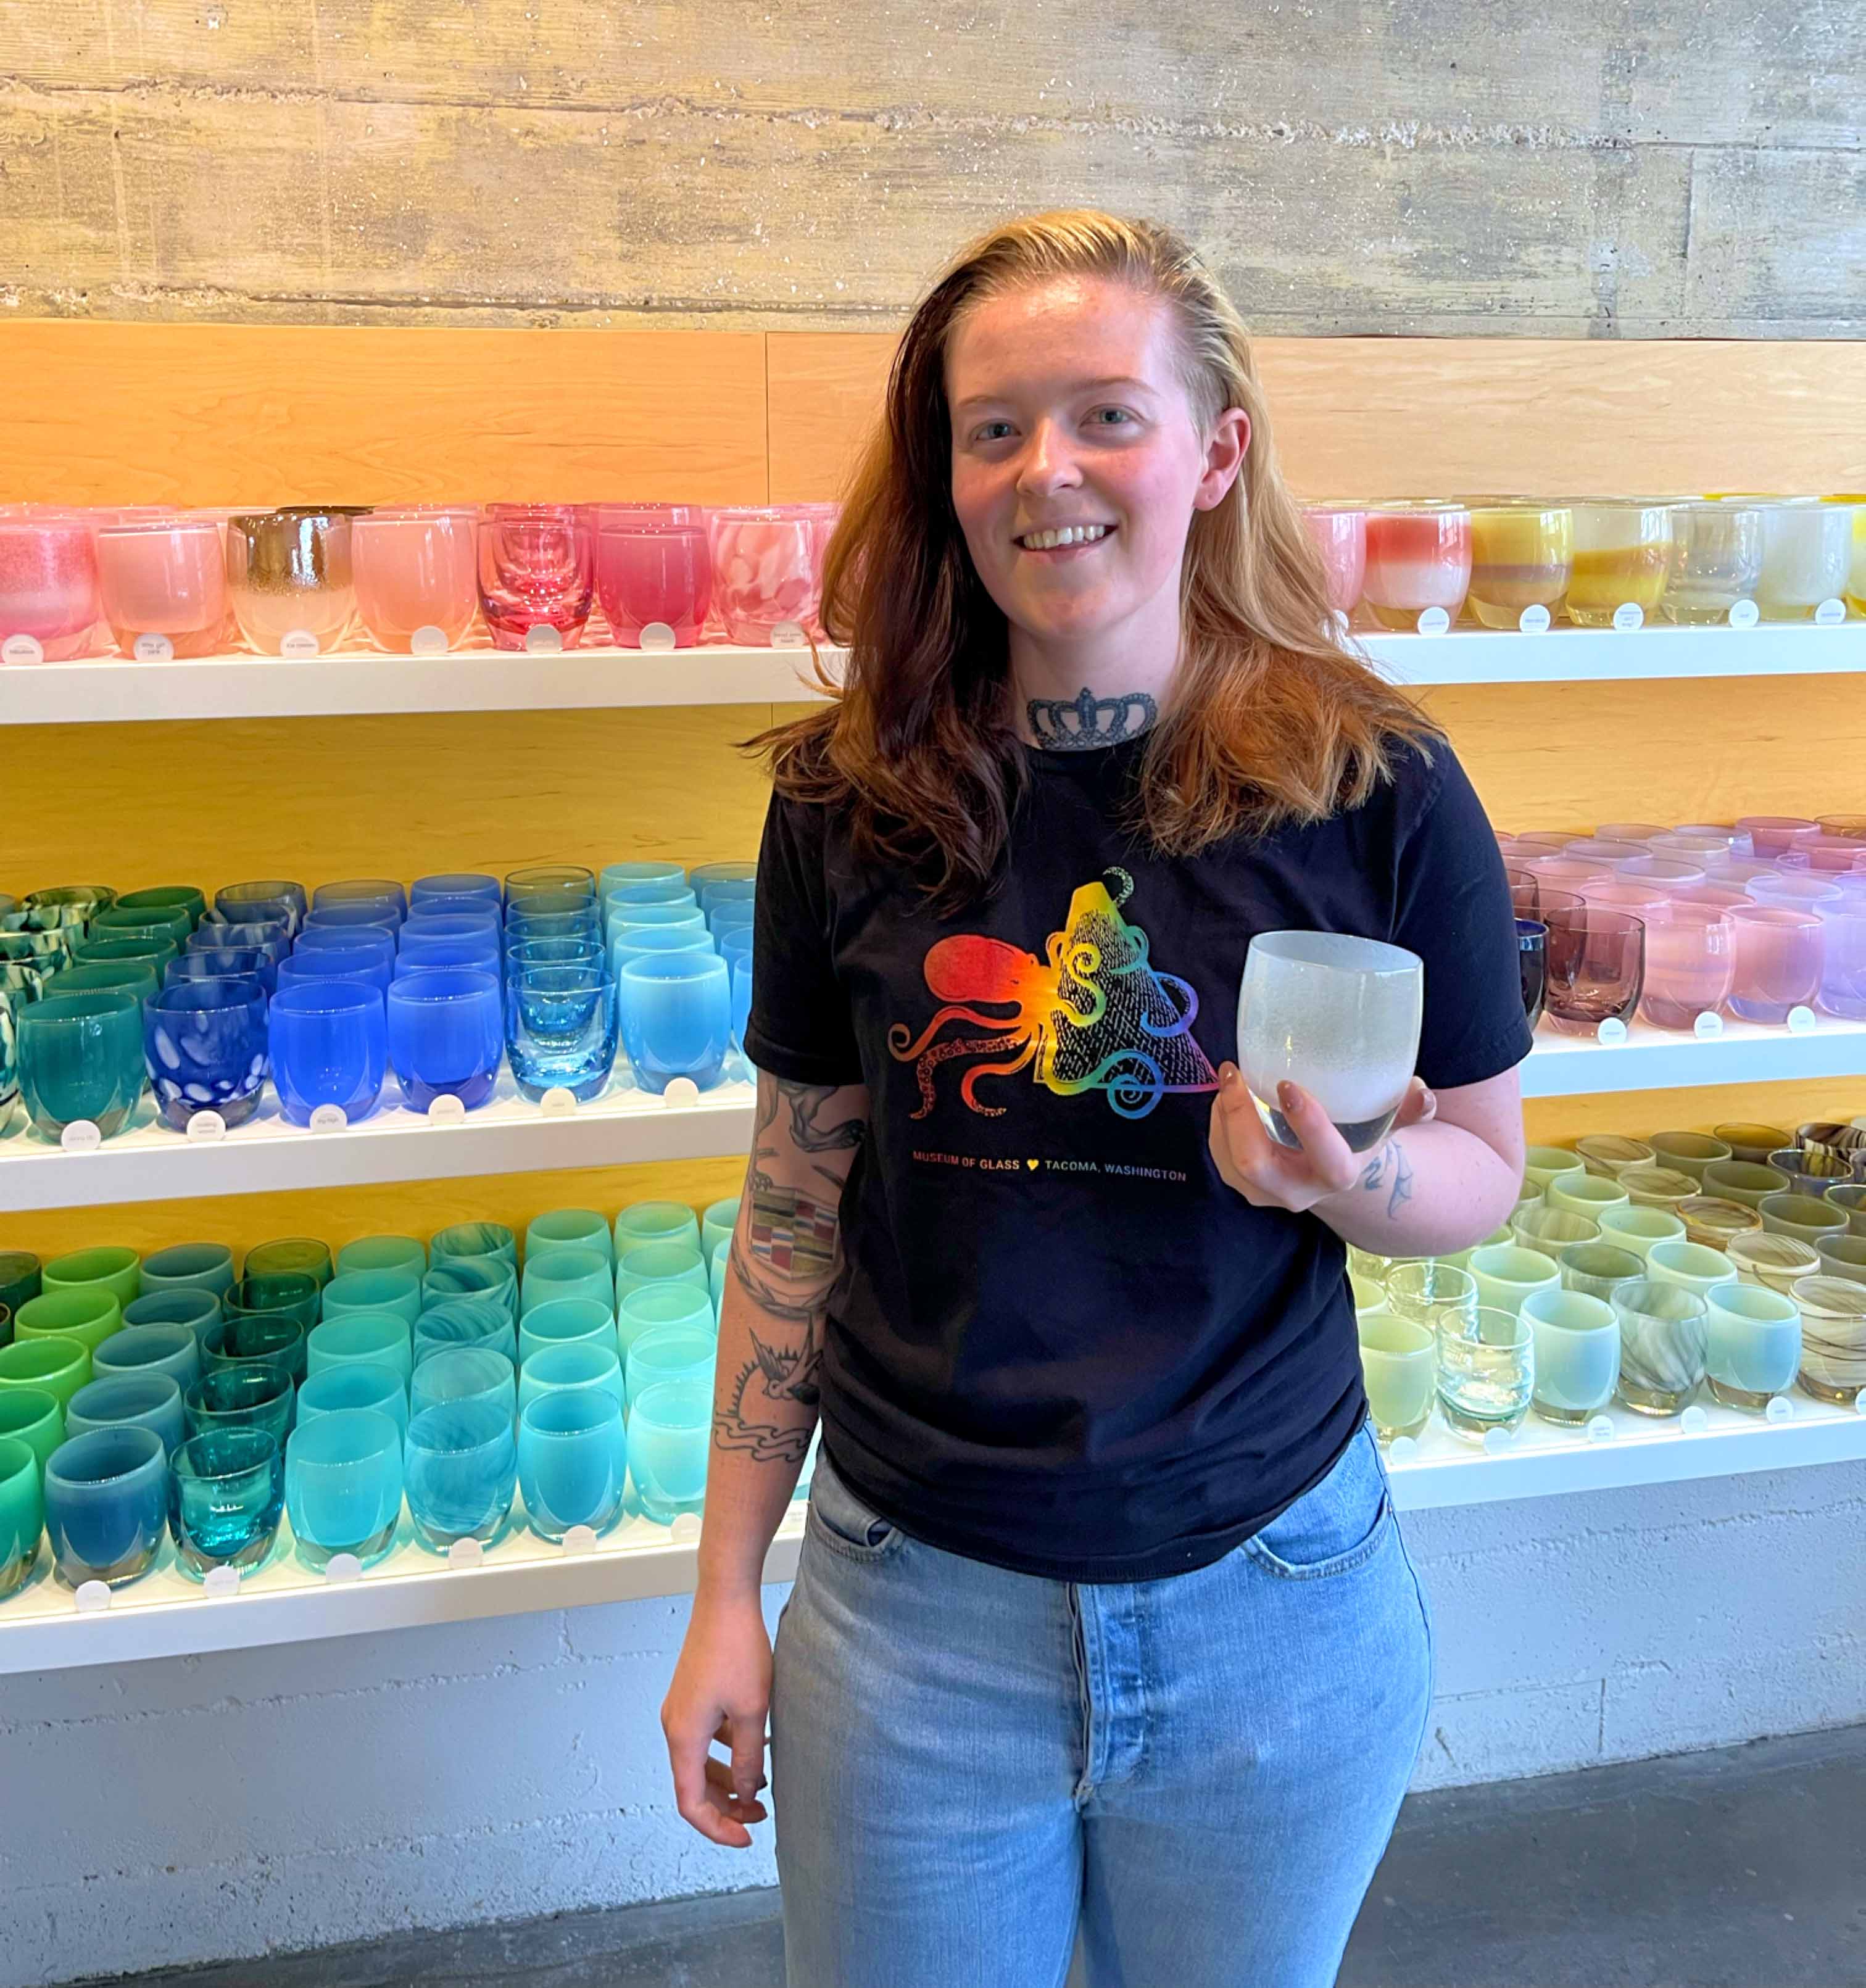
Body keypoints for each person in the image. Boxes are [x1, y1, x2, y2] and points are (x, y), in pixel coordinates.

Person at [661, 209, 1530, 1988]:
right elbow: (793, 1207)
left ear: (1214, 452)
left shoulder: (1380, 784)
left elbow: (1483, 1170)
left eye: (1106, 415)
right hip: (910, 1624)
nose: (1045, 470)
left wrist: (1346, 1184)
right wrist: (721, 1595)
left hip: (1275, 1611)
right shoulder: (847, 802)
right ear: (948, 474)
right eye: (993, 430)